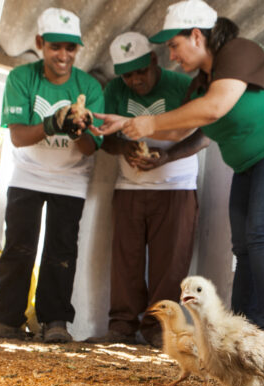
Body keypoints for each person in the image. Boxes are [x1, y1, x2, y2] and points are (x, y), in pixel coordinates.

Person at [93, 0, 264, 338]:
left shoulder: (239, 51)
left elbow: (214, 108)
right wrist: (130, 125)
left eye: (174, 45)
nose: (172, 56)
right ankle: (243, 335)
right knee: (244, 246)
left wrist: (147, 123)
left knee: (262, 233)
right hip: (250, 164)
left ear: (196, 36)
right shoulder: (200, 84)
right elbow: (180, 132)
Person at [0, 7, 103, 343]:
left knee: (61, 252)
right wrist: (52, 123)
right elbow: (18, 136)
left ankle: (55, 322)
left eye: (71, 48)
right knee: (19, 247)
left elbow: (92, 149)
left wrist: (81, 130)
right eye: (55, 47)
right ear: (40, 43)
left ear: (78, 49)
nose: (63, 55)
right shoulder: (22, 78)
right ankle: (7, 321)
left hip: (71, 179)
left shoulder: (89, 86)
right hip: (27, 174)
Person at [85, 32, 209, 347]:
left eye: (142, 71)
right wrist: (122, 150)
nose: (136, 80)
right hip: (129, 185)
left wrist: (168, 155)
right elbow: (106, 138)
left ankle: (159, 330)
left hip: (177, 185)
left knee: (171, 263)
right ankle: (122, 328)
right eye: (128, 75)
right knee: (125, 261)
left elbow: (206, 133)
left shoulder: (182, 85)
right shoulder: (113, 89)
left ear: (154, 60)